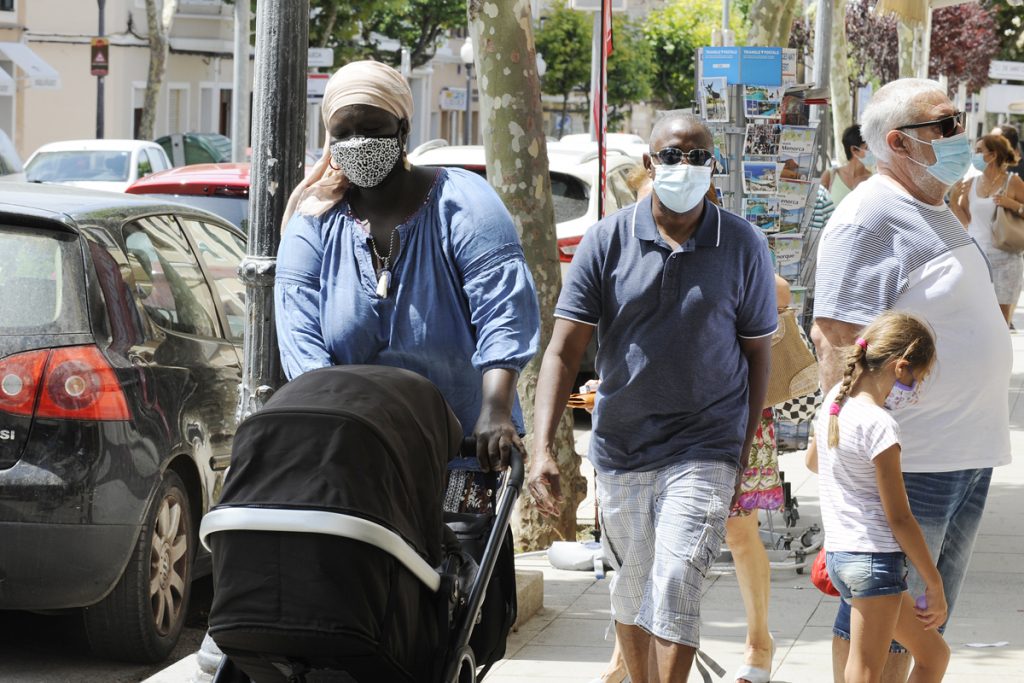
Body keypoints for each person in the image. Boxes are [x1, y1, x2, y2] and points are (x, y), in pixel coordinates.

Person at [529, 112, 777, 682]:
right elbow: (563, 352)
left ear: (713, 168)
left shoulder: (742, 244)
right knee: (630, 588)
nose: (683, 167)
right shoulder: (607, 239)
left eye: (696, 157)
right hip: (623, 447)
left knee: (675, 581)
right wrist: (542, 447)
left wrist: (741, 453)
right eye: (671, 155)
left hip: (706, 445)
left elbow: (758, 354)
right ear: (648, 162)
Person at [811, 78, 1012, 683]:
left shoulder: (930, 206)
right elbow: (837, 336)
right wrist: (846, 449)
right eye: (946, 127)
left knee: (923, 622)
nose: (963, 138)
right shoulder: (870, 214)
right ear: (899, 142)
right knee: (883, 630)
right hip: (912, 459)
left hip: (962, 455)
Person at [274, 60, 540, 469]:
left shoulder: (463, 203)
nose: (357, 143)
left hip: (461, 449)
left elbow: (503, 311)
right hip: (354, 453)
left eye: (372, 130)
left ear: (402, 129)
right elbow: (300, 338)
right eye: (343, 134)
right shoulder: (314, 221)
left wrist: (496, 408)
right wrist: (329, 420)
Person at [811, 311, 949, 683]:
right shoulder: (880, 424)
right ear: (900, 367)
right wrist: (933, 581)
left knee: (934, 654)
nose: (915, 388)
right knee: (866, 670)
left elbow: (813, 462)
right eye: (916, 378)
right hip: (874, 560)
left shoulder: (834, 406)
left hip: (842, 556)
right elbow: (900, 517)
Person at [950, 134, 1024, 325]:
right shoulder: (972, 183)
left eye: (979, 151)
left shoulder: (1013, 182)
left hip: (1005, 259)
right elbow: (966, 220)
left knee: (1000, 319)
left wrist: (1013, 204)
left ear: (993, 155)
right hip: (976, 257)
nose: (974, 155)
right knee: (974, 314)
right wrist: (954, 199)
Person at [821, 124, 874, 207]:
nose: (873, 152)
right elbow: (817, 207)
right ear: (854, 150)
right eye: (867, 148)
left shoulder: (873, 180)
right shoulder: (830, 176)